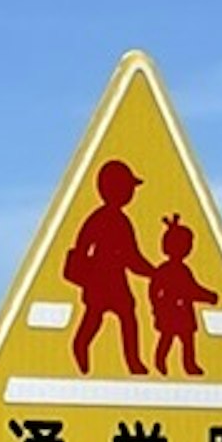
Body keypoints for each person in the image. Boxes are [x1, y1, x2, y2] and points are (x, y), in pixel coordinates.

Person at [64, 159, 158, 374]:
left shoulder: (121, 221)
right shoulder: (101, 219)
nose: (130, 193)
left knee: (126, 315)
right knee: (97, 316)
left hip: (115, 280)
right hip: (100, 279)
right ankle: (81, 346)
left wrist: (153, 272)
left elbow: (132, 257)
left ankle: (133, 361)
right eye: (128, 188)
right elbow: (83, 246)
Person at [146, 215, 217, 381]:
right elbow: (188, 290)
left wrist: (208, 296)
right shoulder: (167, 271)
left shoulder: (183, 270)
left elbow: (192, 289)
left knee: (187, 341)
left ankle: (189, 365)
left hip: (183, 313)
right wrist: (157, 308)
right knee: (167, 339)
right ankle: (160, 362)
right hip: (171, 313)